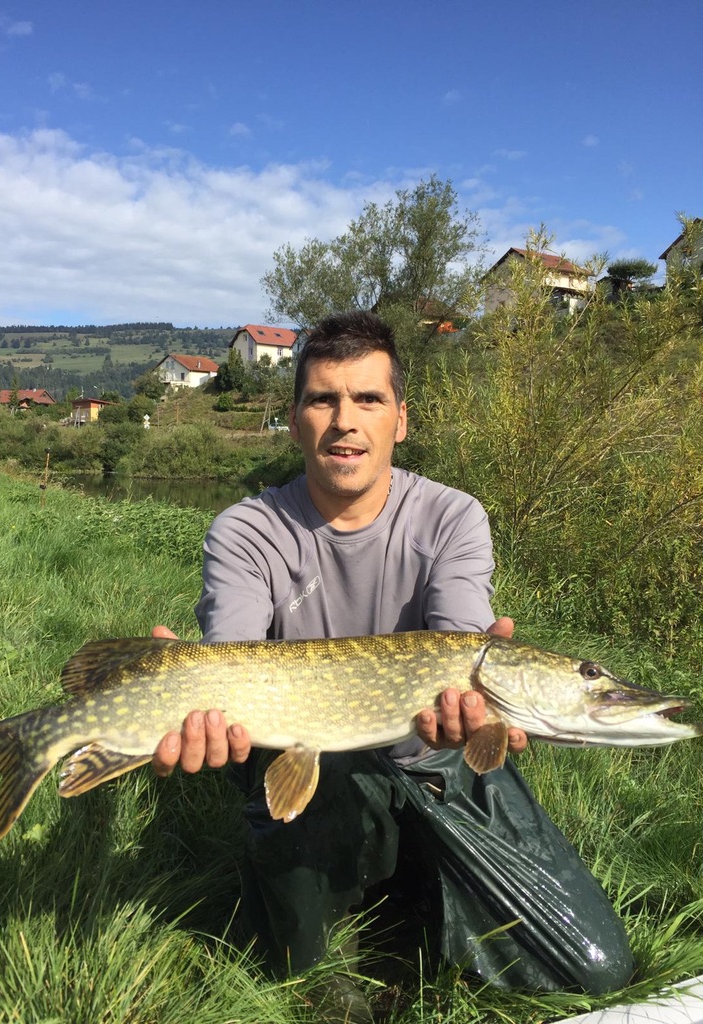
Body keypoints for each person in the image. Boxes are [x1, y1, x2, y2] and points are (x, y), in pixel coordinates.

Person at [152, 312, 634, 1019]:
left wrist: (474, 713)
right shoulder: (247, 530)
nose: (345, 421)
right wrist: (192, 695)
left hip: (436, 762)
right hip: (311, 763)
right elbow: (231, 659)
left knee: (597, 969)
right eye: (323, 400)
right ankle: (318, 932)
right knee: (300, 980)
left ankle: (406, 883)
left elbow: (461, 635)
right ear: (295, 422)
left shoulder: (452, 517)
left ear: (400, 420)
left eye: (369, 399)